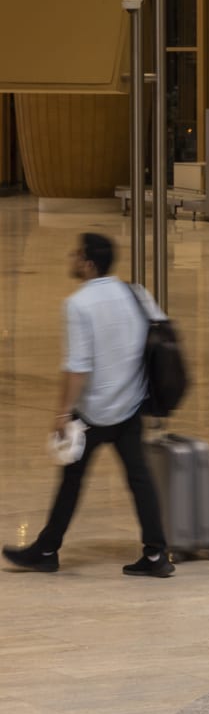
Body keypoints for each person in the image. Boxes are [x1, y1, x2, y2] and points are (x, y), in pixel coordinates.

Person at [3, 232, 174, 577]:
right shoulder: (136, 293)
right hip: (130, 406)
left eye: (77, 255)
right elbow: (161, 331)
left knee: (72, 480)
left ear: (89, 264)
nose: (73, 258)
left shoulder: (78, 304)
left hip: (94, 412)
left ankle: (46, 550)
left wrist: (63, 413)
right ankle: (157, 554)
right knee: (139, 480)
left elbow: (78, 366)